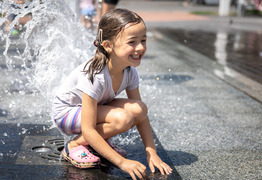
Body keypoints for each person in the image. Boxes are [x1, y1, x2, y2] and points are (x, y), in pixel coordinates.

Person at [52, 8, 172, 179]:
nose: (140, 47)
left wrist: (151, 152)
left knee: (139, 109)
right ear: (108, 46)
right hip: (66, 113)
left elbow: (141, 116)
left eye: (143, 40)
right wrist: (122, 162)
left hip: (91, 110)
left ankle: (96, 144)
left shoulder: (129, 71)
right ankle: (74, 145)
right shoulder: (95, 75)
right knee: (122, 118)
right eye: (132, 42)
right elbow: (88, 127)